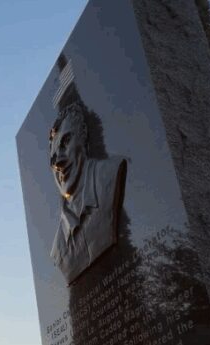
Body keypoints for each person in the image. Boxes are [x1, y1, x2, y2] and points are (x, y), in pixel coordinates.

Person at [47, 59, 128, 285]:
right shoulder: (58, 247)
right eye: (53, 158)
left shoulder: (110, 176)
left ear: (83, 137)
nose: (58, 162)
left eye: (65, 143)